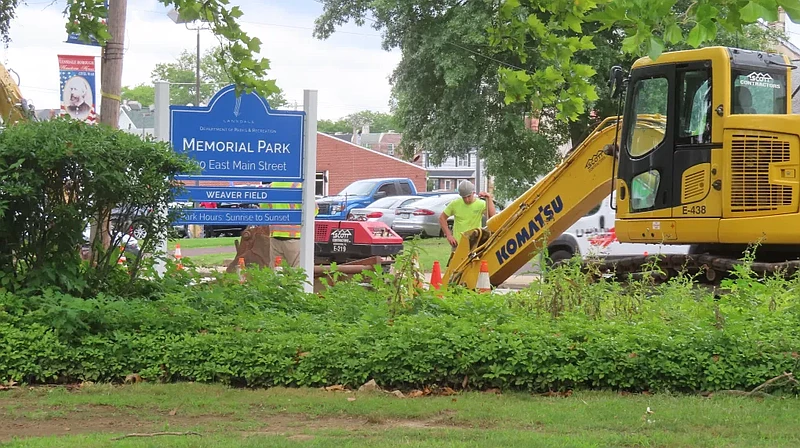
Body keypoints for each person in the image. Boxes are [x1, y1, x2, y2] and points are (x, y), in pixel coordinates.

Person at [261, 182, 318, 268]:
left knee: (277, 272)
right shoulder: (298, 187)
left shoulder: (271, 187)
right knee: (297, 273)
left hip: (276, 237)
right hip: (295, 238)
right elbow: (313, 211)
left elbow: (263, 208)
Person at [439, 180, 496, 265]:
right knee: (455, 268)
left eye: (469, 196)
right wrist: (449, 235)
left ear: (473, 193)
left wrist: (489, 198)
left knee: (473, 267)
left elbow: (492, 216)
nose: (467, 199)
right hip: (458, 244)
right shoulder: (455, 204)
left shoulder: (480, 204)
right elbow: (442, 218)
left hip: (475, 243)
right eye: (464, 197)